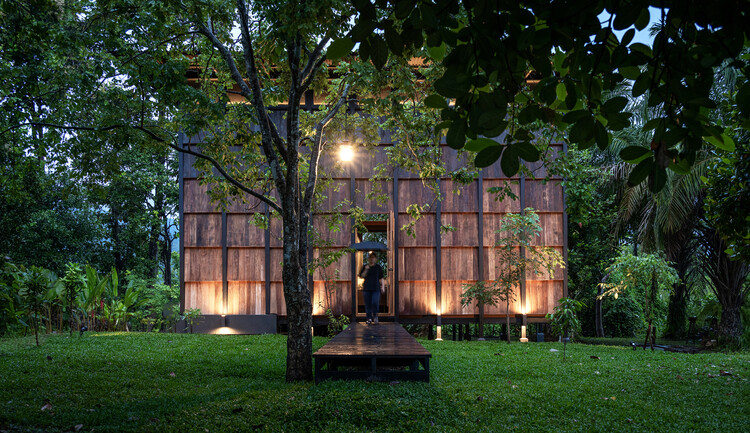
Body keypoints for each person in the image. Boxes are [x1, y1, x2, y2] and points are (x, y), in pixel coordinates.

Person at [358, 252, 385, 324]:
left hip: (376, 288)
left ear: (375, 259)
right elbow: (362, 276)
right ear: (368, 259)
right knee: (368, 304)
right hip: (366, 288)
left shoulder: (378, 267)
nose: (371, 259)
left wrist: (383, 287)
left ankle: (375, 316)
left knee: (375, 302)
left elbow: (381, 277)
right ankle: (369, 318)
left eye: (373, 257)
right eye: (370, 257)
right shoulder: (365, 266)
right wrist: (366, 269)